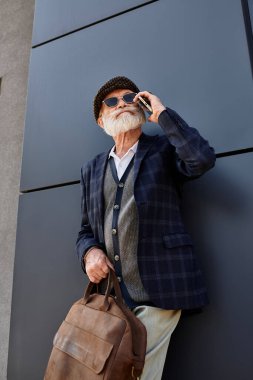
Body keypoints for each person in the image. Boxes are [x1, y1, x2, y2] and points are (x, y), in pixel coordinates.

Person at [76, 76, 216, 379]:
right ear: (102, 121)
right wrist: (89, 253)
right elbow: (85, 229)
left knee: (133, 375)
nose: (122, 104)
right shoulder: (91, 168)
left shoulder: (164, 149)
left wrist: (163, 114)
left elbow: (202, 160)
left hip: (160, 291)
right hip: (112, 299)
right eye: (111, 102)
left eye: (130, 97)